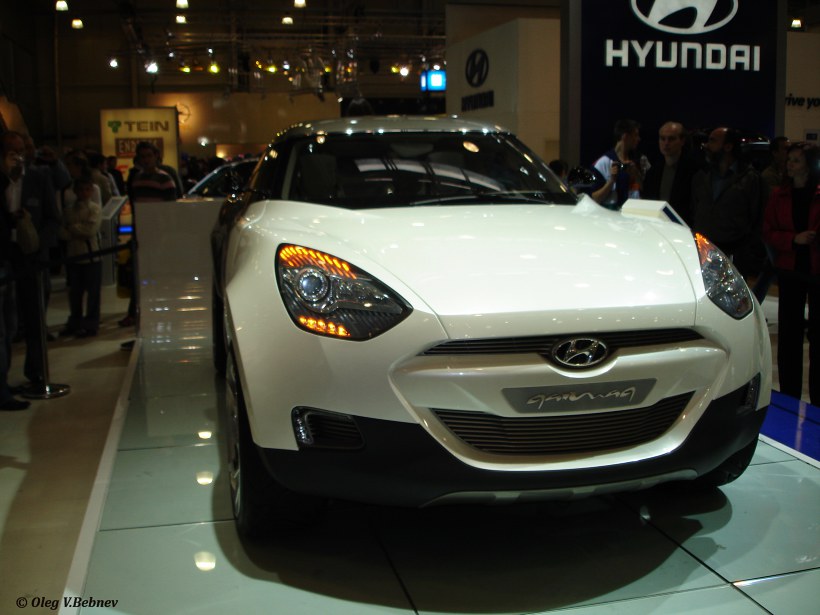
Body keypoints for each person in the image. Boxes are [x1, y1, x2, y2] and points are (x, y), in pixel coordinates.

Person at [0, 130, 60, 391]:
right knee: (7, 322)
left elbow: (53, 218)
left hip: (33, 259)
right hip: (5, 257)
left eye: (21, 151)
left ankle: (36, 371)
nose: (17, 156)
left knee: (35, 317)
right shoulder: (2, 181)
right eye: (11, 152)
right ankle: (3, 379)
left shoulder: (39, 178)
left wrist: (37, 245)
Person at [763, 142, 819, 405]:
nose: (790, 165)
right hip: (790, 269)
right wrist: (793, 239)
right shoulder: (779, 195)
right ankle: (789, 396)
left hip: (816, 270)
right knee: (789, 336)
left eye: (796, 160)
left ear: (809, 165)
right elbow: (768, 231)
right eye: (789, 160)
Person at [691, 127, 766, 278]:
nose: (706, 145)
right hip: (703, 251)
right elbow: (694, 208)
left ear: (728, 146)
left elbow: (757, 218)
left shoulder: (750, 179)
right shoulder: (702, 176)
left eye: (712, 141)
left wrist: (746, 249)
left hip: (736, 254)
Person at [119, 141, 178, 329]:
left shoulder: (165, 179)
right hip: (142, 234)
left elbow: (170, 210)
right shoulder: (136, 179)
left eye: (149, 156)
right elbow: (136, 207)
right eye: (142, 156)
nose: (146, 160)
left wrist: (167, 233)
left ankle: (159, 310)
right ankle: (137, 312)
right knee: (140, 274)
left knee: (158, 274)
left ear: (156, 156)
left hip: (159, 234)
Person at [0, 132, 31, 410]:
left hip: (8, 261)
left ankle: (3, 382)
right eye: (12, 152)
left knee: (9, 327)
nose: (17, 157)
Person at [59, 174, 102, 337]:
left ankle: (91, 324)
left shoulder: (95, 209)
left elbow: (90, 230)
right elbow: (62, 232)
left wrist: (72, 228)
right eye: (81, 189)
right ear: (75, 191)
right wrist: (76, 229)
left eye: (87, 189)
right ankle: (75, 322)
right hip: (74, 255)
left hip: (91, 256)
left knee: (93, 294)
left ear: (91, 191)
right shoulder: (68, 210)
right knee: (75, 293)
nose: (84, 193)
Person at [642, 121, 700, 226]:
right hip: (658, 225)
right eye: (662, 138)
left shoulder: (694, 170)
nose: (666, 143)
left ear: (682, 141)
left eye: (671, 139)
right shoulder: (654, 171)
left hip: (683, 227)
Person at [591, 119, 642, 209]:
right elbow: (594, 199)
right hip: (610, 215)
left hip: (632, 213)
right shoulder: (603, 163)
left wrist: (636, 176)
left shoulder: (636, 161)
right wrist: (611, 181)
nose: (638, 139)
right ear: (625, 136)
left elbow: (641, 191)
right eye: (635, 135)